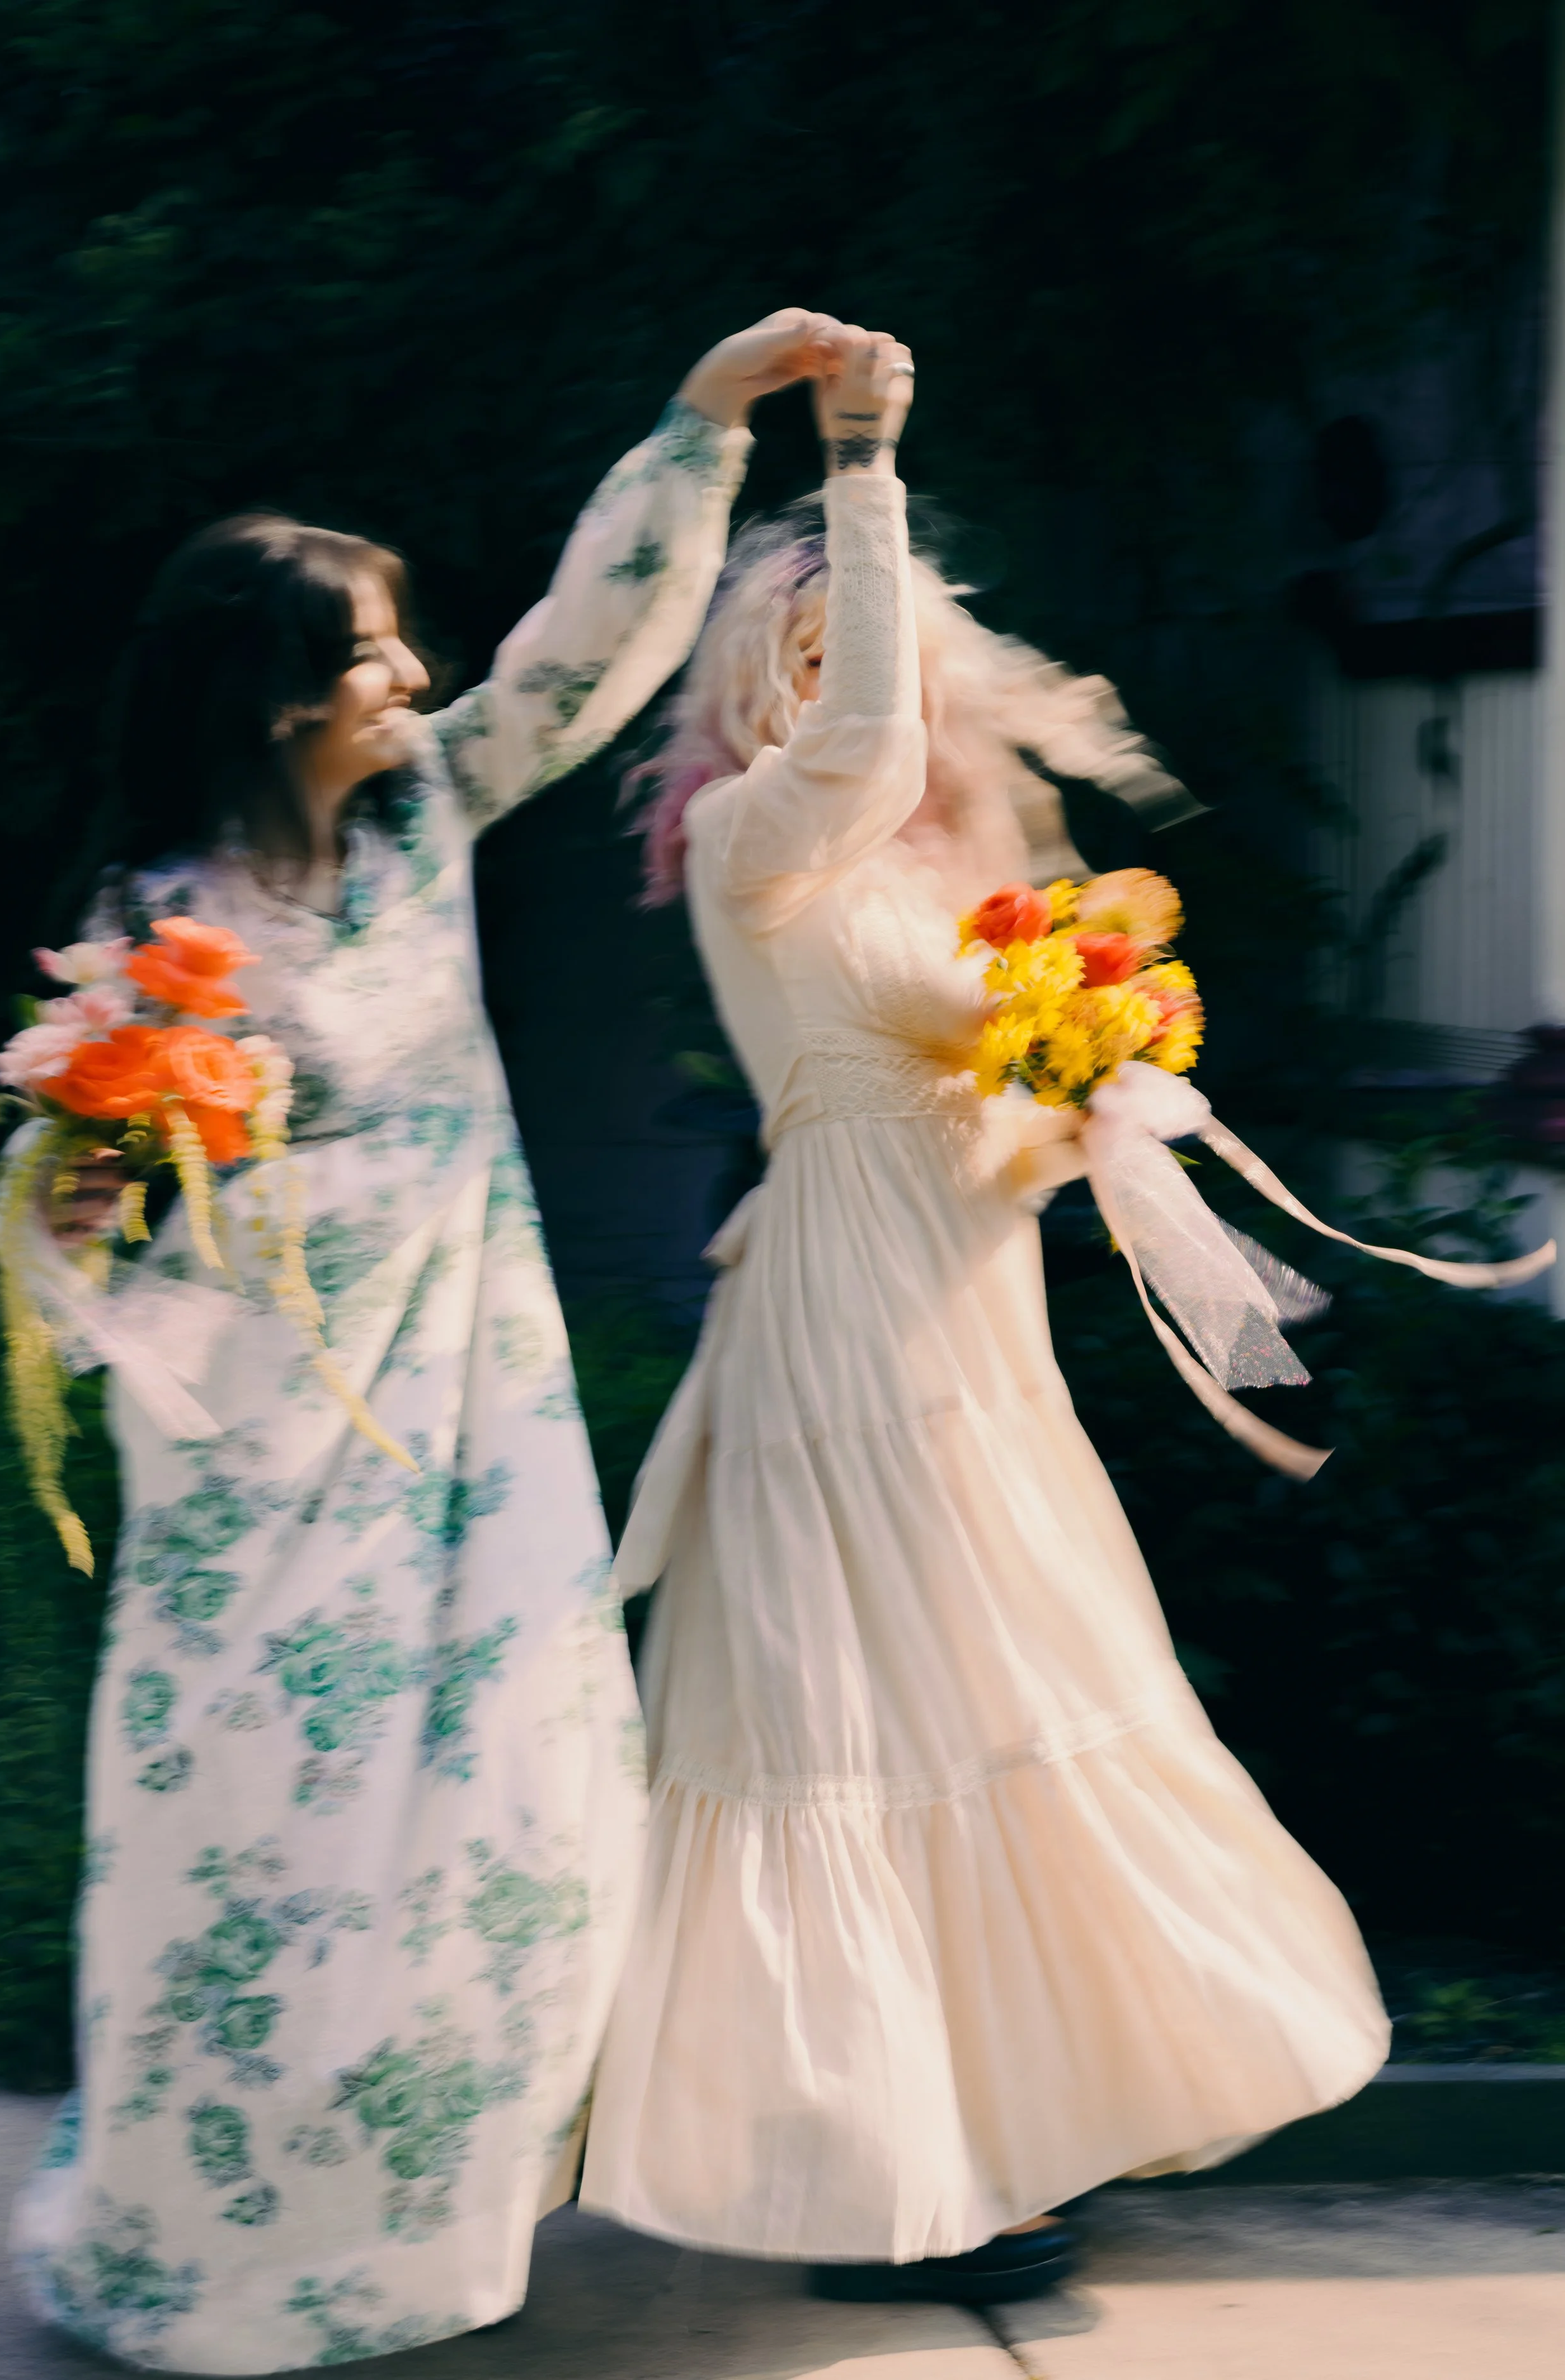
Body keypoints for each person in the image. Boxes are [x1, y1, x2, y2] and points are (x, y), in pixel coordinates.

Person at [0, 309, 834, 2374]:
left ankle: (402, 2228)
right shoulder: (154, 928)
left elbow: (577, 647)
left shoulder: (424, 824)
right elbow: (79, 1224)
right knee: (258, 1839)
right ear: (281, 691)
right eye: (373, 649)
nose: (414, 674)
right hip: (260, 1480)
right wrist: (87, 1186)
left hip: (473, 1432)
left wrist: (702, 424)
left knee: (507, 1819)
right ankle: (203, 2241)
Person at [580, 327, 1390, 2297]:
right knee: (854, 1714)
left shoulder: (961, 887)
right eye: (796, 663)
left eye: (858, 653)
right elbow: (858, 743)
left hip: (968, 1329)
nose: (847, 691)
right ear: (754, 695)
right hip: (844, 1331)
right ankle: (869, 2177)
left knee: (993, 1700)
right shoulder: (763, 843)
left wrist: (1087, 1077)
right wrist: (857, 466)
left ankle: (982, 2137)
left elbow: (1007, 1097)